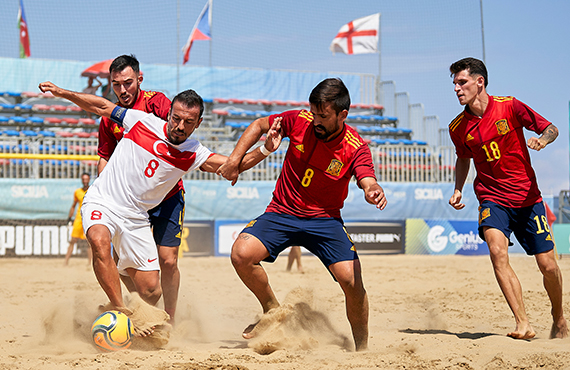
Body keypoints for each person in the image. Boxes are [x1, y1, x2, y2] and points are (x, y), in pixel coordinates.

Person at [38, 81, 282, 335]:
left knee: (151, 291)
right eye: (176, 118)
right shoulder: (141, 120)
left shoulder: (193, 152)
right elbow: (101, 106)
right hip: (103, 201)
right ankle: (122, 311)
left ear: (197, 123)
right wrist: (62, 93)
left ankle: (115, 301)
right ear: (168, 114)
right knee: (99, 241)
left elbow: (232, 166)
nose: (180, 126)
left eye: (188, 122)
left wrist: (265, 149)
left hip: (135, 218)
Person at [217, 78, 387, 351]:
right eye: (314, 112)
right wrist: (234, 159)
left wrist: (372, 189)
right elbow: (260, 124)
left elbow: (367, 177)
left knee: (351, 280)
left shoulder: (356, 146)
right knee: (241, 254)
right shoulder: (299, 120)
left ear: (342, 115)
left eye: (323, 116)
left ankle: (362, 349)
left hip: (325, 220)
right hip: (281, 212)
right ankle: (272, 310)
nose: (315, 120)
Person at [448, 57, 568, 340]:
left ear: (480, 82)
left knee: (548, 265)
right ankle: (523, 323)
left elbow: (551, 128)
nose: (456, 88)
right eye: (453, 83)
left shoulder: (510, 106)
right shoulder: (458, 128)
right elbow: (463, 158)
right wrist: (458, 188)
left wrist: (543, 141)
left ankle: (559, 317)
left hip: (528, 198)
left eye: (461, 82)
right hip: (492, 198)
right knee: (497, 252)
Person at [98, 54, 183, 324]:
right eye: (116, 84)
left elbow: (177, 135)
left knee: (168, 261)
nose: (122, 90)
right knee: (120, 259)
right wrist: (103, 192)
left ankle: (170, 317)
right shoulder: (109, 118)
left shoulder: (157, 103)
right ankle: (140, 306)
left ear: (140, 79)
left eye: (128, 83)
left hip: (167, 195)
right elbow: (104, 158)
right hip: (129, 201)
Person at [64, 172, 91, 266]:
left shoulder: (92, 190)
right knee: (73, 240)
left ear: (89, 180)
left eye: (87, 179)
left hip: (88, 219)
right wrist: (69, 218)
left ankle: (89, 263)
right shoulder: (77, 192)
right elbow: (73, 206)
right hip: (79, 219)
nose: (85, 181)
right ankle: (66, 262)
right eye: (84, 179)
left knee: (89, 242)